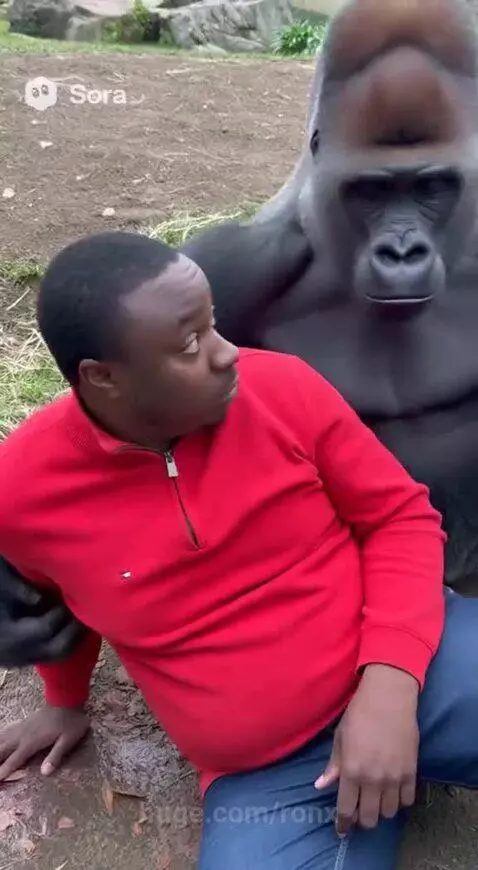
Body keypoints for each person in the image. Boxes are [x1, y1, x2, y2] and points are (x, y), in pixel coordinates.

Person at [0, 230, 476, 870]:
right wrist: (63, 701)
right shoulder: (23, 491)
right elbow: (53, 601)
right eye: (192, 343)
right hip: (273, 777)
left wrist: (390, 689)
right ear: (102, 377)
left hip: (421, 667)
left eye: (214, 325)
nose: (228, 356)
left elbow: (400, 519)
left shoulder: (281, 390)